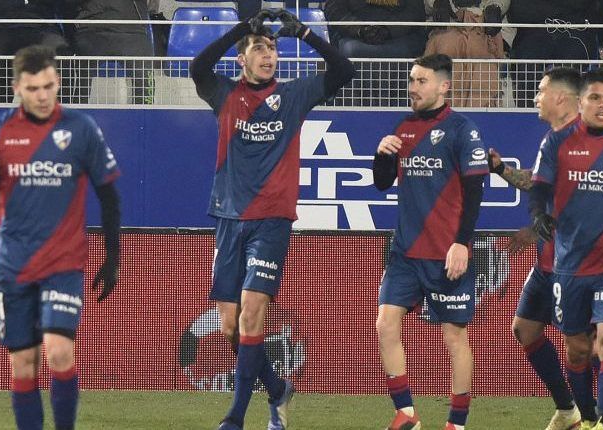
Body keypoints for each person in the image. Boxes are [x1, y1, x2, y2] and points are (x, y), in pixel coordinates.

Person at [190, 8, 354, 430]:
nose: (268, 55)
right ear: (242, 59)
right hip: (228, 218)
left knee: (250, 313)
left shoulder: (296, 94)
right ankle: (279, 389)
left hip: (272, 221)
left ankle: (236, 417)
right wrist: (238, 31)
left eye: (273, 49)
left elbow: (344, 69)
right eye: (259, 48)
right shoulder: (224, 94)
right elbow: (196, 66)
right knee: (230, 326)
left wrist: (305, 33)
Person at [0, 45, 121, 430]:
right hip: (13, 266)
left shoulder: (81, 129)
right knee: (22, 362)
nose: (43, 96)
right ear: (17, 88)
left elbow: (109, 194)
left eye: (49, 86)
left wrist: (113, 257)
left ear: (57, 81)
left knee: (60, 352)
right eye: (33, 89)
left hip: (64, 264)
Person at [372, 53, 487, 430]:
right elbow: (382, 183)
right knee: (385, 324)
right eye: (411, 80)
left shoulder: (462, 129)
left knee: (454, 336)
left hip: (446, 252)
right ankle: (405, 413)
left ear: (443, 85)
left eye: (421, 81)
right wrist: (382, 155)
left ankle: (457, 422)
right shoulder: (403, 127)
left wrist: (462, 244)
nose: (413, 88)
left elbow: (474, 192)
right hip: (405, 252)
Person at [488, 67, 600, 430]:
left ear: (562, 99)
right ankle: (569, 411)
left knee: (589, 347)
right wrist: (502, 169)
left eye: (540, 90)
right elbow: (538, 186)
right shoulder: (551, 141)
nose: (535, 97)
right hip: (546, 262)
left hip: (577, 266)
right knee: (525, 329)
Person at [529, 69, 603, 430]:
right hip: (570, 266)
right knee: (579, 350)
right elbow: (539, 186)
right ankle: (586, 419)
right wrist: (538, 214)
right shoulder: (556, 143)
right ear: (580, 102)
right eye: (596, 98)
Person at [0, 0, 74, 104]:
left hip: (42, 26)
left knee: (62, 53)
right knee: (1, 64)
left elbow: (61, 4)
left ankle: (62, 113)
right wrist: (23, 2)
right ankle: (0, 111)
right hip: (1, 28)